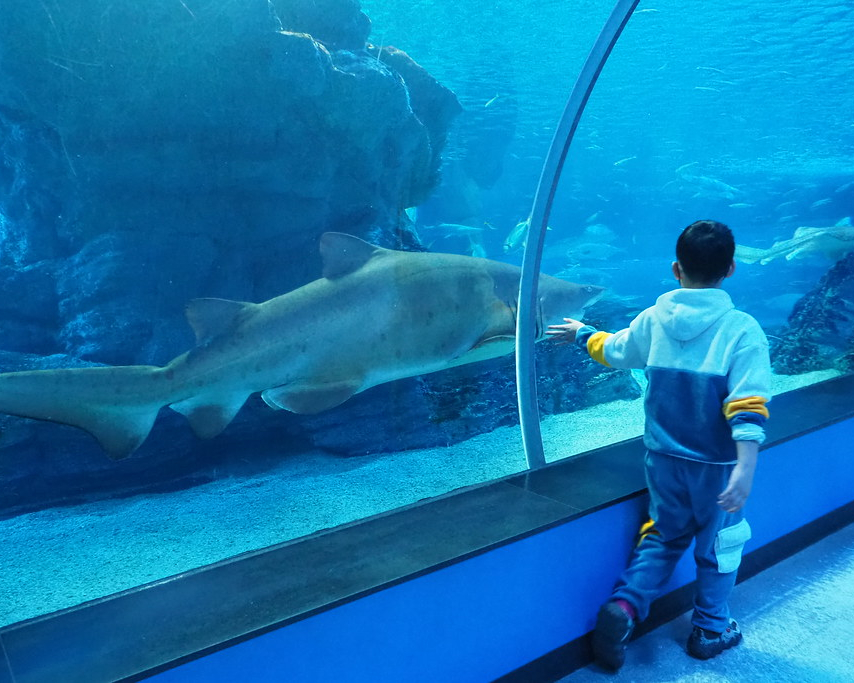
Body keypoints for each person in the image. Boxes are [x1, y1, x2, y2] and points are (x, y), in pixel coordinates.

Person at [547, 219, 771, 671]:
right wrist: (744, 469)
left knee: (662, 538)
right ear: (731, 269)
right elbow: (746, 406)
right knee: (720, 545)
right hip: (717, 466)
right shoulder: (741, 330)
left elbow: (615, 351)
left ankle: (625, 607)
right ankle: (710, 629)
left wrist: (581, 333)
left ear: (675, 269)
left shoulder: (653, 318)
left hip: (663, 459)